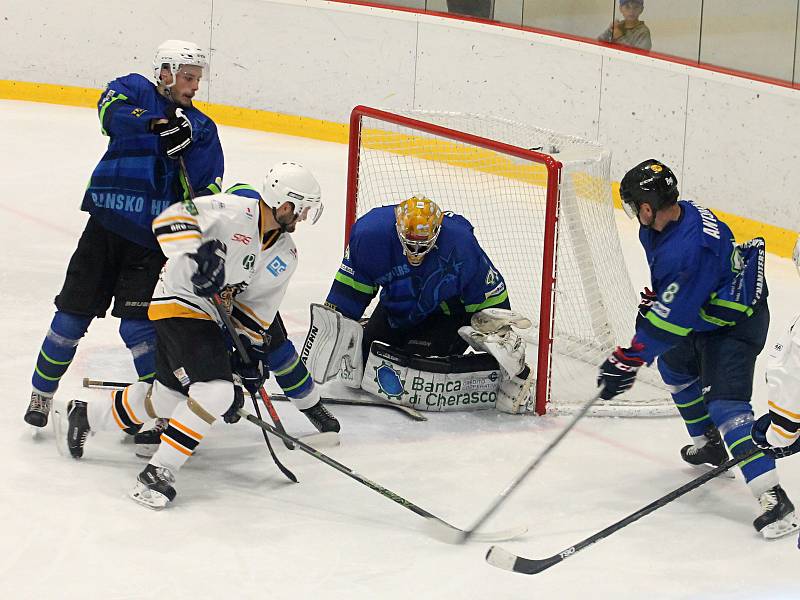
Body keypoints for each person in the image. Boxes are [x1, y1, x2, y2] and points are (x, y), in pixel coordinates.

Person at [53, 163, 339, 509]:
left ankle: (85, 416)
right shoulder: (231, 210)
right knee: (215, 392)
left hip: (209, 318)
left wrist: (244, 361)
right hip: (178, 299)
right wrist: (200, 252)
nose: (304, 218)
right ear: (284, 203)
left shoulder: (285, 254)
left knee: (168, 397)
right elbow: (169, 220)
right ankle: (158, 471)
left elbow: (253, 314)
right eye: (303, 208)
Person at [25, 40, 224, 429]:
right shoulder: (134, 89)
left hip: (151, 245)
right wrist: (154, 124)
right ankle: (41, 394)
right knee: (69, 317)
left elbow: (209, 192)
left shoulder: (201, 128)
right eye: (187, 77)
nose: (194, 86)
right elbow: (108, 113)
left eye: (197, 79)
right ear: (164, 72)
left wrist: (188, 162)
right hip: (103, 229)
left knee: (139, 328)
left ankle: (156, 413)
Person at [597, 158, 798, 539]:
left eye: (632, 205)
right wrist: (665, 301)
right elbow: (677, 303)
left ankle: (775, 501)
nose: (631, 213)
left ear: (646, 207)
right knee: (674, 367)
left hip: (735, 325)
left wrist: (629, 359)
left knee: (727, 408)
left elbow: (674, 319)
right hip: (703, 313)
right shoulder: (669, 222)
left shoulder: (689, 249)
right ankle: (709, 446)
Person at [302, 195, 535, 415]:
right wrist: (334, 329)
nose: (415, 251)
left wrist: (500, 337)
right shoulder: (371, 236)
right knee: (364, 358)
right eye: (409, 244)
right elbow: (350, 290)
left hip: (446, 316)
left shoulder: (460, 244)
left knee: (416, 367)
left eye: (422, 244)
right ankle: (369, 329)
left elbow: (489, 294)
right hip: (397, 310)